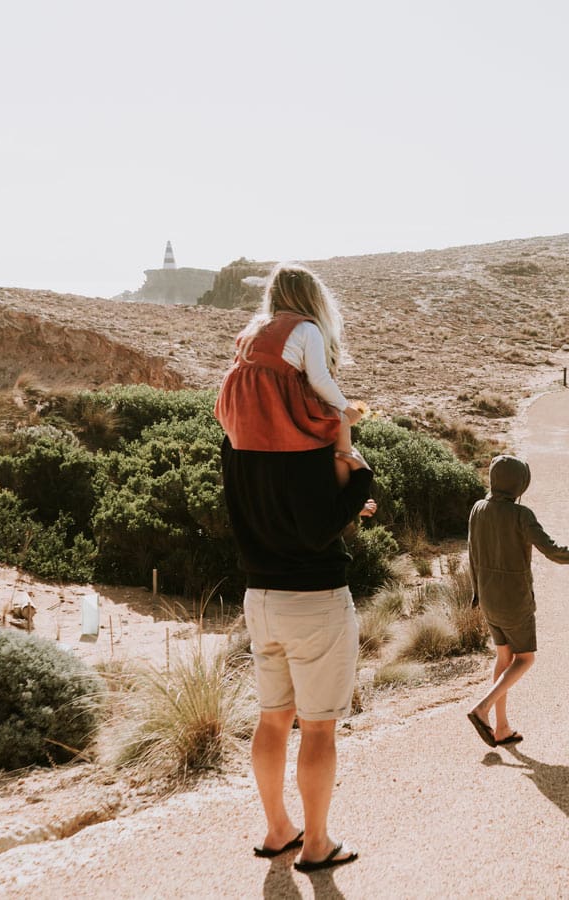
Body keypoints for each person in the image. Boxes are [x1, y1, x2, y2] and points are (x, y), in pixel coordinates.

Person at [219, 316, 376, 872]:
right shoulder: (308, 452)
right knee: (318, 727)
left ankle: (277, 830)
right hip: (315, 599)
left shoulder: (237, 446)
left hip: (258, 599)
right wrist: (359, 480)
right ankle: (317, 843)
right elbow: (318, 529)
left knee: (271, 719)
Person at [466, 454, 569, 747]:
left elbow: (471, 552)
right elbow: (549, 549)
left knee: (504, 658)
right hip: (514, 600)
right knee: (525, 658)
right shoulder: (520, 515)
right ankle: (482, 709)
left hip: (487, 597)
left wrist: (476, 593)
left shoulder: (477, 508)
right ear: (520, 484)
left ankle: (501, 727)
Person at [214, 261, 366, 486]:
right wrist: (346, 408)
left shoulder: (257, 326)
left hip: (239, 418)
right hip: (278, 410)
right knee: (339, 424)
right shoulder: (306, 329)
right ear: (312, 298)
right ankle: (347, 496)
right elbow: (319, 379)